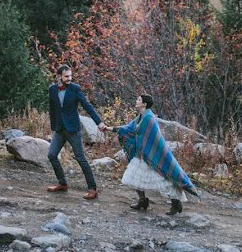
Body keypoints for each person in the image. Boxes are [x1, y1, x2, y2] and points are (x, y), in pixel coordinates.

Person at [105, 93, 197, 215]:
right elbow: (128, 128)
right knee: (133, 177)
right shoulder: (140, 116)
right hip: (142, 154)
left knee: (163, 179)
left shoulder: (149, 118)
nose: (136, 101)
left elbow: (149, 137)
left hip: (151, 155)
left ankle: (176, 203)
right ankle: (143, 201)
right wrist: (108, 128)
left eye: (138, 100)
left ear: (144, 104)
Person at [46, 64, 106, 200]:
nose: (69, 78)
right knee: (51, 155)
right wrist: (53, 125)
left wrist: (99, 122)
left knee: (81, 158)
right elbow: (52, 109)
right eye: (66, 76)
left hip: (73, 129)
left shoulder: (75, 89)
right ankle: (62, 184)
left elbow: (87, 106)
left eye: (70, 76)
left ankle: (92, 189)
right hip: (59, 129)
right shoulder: (52, 89)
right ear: (59, 76)